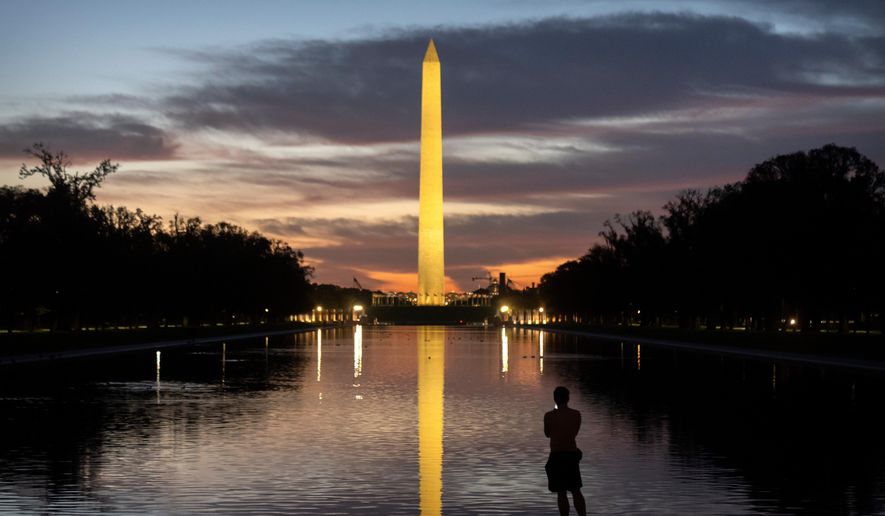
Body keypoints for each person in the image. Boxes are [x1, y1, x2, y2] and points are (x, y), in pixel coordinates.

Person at [544, 386, 586, 516]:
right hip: (571, 455)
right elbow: (574, 433)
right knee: (576, 490)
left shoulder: (549, 416)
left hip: (556, 456)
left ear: (555, 399)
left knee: (561, 492)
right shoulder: (576, 414)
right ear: (568, 398)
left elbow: (547, 434)